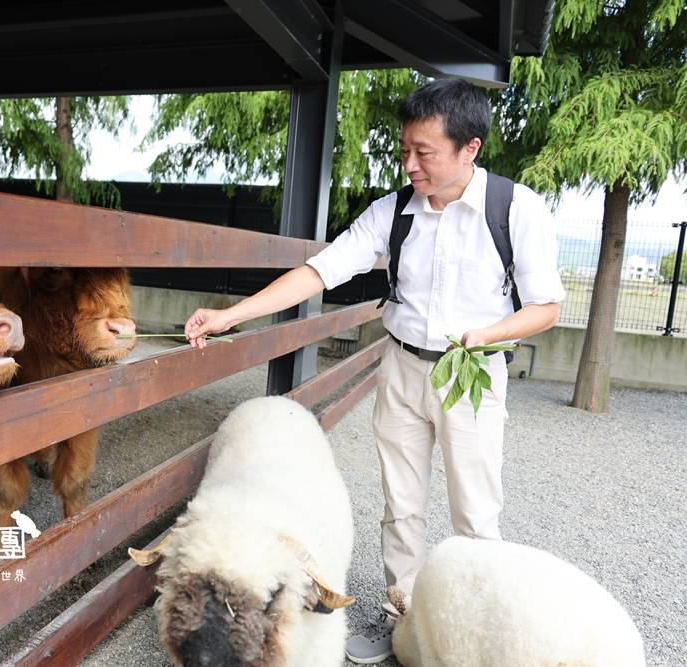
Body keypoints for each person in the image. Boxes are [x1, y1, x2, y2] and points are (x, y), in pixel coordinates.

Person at [183, 78, 565, 664]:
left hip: (473, 372)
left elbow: (547, 307)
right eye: (405, 149)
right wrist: (235, 314)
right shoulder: (393, 212)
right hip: (404, 366)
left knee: (475, 511)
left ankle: (469, 639)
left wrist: (488, 334)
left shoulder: (516, 209)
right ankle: (402, 625)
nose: (409, 164)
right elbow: (322, 270)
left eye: (425, 152)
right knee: (402, 503)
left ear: (471, 149)